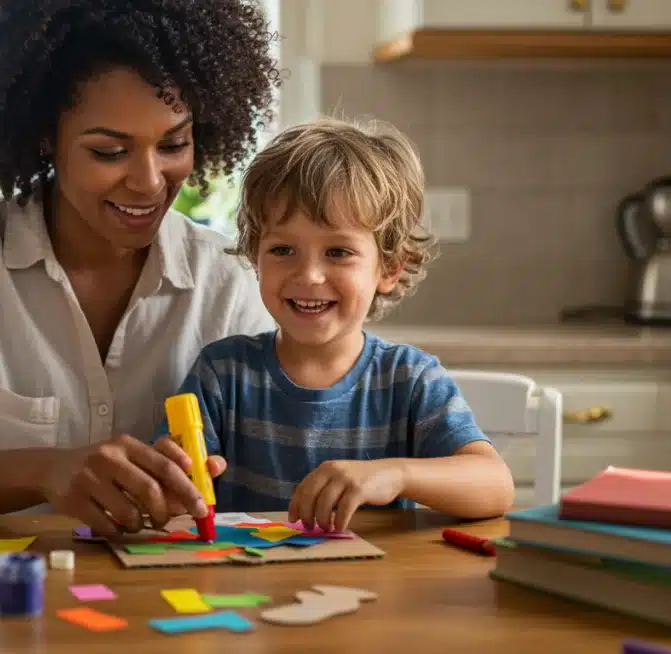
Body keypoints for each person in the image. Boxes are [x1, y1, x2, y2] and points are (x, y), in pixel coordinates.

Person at [0, 0, 280, 537]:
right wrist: (50, 470)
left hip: (175, 590)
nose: (150, 181)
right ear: (46, 136)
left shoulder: (228, 277)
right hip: (7, 590)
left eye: (174, 144)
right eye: (109, 151)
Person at [152, 118, 516, 533]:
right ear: (256, 258)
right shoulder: (223, 372)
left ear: (390, 268)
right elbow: (171, 494)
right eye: (283, 249)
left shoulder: (411, 379)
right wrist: (170, 483)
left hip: (378, 590)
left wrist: (394, 474)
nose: (309, 276)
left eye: (339, 252)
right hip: (250, 588)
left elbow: (496, 486)